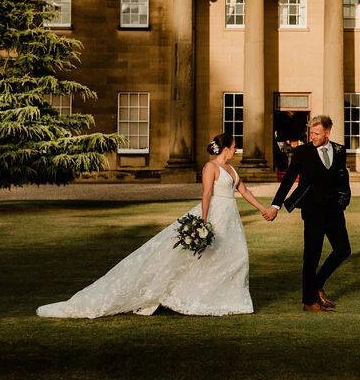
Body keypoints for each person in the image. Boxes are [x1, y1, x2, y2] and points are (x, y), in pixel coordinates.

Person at [37, 133, 271, 318]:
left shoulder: (232, 169)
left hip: (230, 218)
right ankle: (191, 296)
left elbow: (244, 190)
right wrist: (203, 220)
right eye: (234, 147)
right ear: (226, 148)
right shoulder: (211, 167)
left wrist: (263, 209)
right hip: (216, 215)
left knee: (236, 256)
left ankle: (228, 298)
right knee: (201, 257)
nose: (235, 150)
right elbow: (207, 193)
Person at [264, 114, 352, 312]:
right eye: (311, 133)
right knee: (312, 256)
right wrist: (275, 206)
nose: (313, 137)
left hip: (334, 211)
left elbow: (342, 178)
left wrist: (343, 201)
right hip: (312, 211)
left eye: (317, 133)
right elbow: (288, 180)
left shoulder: (339, 150)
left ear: (327, 132)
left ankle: (317, 285)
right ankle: (308, 301)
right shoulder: (302, 152)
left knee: (343, 250)